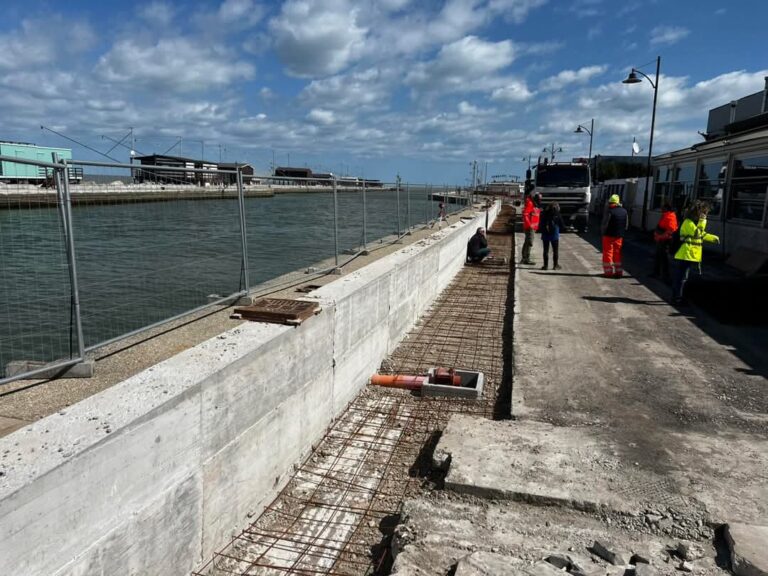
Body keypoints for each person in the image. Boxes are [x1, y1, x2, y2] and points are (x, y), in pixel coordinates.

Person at [672, 200, 719, 304]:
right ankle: (677, 298)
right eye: (704, 213)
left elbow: (701, 234)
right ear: (697, 212)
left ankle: (677, 296)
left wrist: (713, 238)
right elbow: (698, 233)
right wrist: (703, 221)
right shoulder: (688, 222)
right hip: (686, 254)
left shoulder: (692, 223)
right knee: (682, 277)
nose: (705, 215)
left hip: (690, 254)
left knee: (682, 276)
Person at [600, 193, 628, 278]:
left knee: (608, 253)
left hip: (608, 236)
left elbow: (605, 224)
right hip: (619, 236)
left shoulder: (609, 211)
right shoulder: (624, 211)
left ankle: (608, 272)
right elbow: (626, 225)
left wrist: (602, 233)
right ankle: (619, 272)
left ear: (610, 202)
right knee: (617, 253)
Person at [651, 202, 678, 282]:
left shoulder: (670, 216)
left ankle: (665, 276)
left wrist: (660, 236)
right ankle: (657, 273)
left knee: (664, 258)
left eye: (663, 207)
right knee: (658, 257)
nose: (661, 209)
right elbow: (660, 226)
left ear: (667, 208)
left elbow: (670, 231)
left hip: (665, 241)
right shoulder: (665, 215)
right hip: (661, 240)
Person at [538, 202, 565, 270]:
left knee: (545, 250)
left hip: (545, 234)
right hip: (554, 235)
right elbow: (562, 225)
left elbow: (541, 224)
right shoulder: (557, 214)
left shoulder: (544, 214)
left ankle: (545, 266)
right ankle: (555, 265)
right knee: (555, 250)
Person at [521, 192, 541, 265]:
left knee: (527, 242)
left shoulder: (533, 204)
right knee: (529, 242)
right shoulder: (530, 203)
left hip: (532, 227)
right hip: (530, 227)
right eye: (539, 199)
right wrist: (530, 225)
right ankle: (527, 259)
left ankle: (524, 258)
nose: (540, 200)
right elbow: (525, 214)